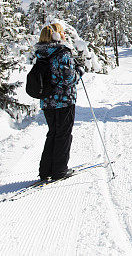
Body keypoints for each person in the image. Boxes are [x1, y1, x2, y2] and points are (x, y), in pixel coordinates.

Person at [34, 23, 83, 181]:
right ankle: (59, 171)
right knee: (63, 135)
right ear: (55, 36)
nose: (63, 35)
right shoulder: (61, 53)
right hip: (63, 101)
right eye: (61, 33)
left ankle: (46, 170)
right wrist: (79, 72)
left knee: (53, 134)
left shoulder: (41, 53)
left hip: (47, 102)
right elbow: (68, 79)